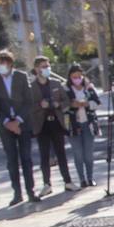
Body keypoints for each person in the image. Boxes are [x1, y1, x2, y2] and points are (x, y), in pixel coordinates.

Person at [0, 49, 40, 206]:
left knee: (26, 158)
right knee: (11, 160)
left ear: (10, 63)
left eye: (3, 63)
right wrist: (6, 122)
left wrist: (18, 120)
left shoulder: (21, 77)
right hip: (5, 125)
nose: (0, 66)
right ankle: (17, 193)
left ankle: (30, 190)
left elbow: (28, 101)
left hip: (23, 123)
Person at [29, 56, 77, 195]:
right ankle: (46, 184)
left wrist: (58, 104)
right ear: (37, 69)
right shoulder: (31, 87)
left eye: (47, 66)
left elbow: (66, 101)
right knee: (44, 155)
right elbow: (28, 107)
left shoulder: (56, 84)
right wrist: (40, 105)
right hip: (42, 124)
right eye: (43, 66)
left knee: (61, 153)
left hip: (56, 122)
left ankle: (68, 181)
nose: (47, 69)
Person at [65, 63, 101, 188]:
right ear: (70, 77)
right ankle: (82, 179)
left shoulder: (89, 88)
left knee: (88, 154)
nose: (77, 79)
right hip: (73, 125)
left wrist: (87, 104)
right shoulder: (66, 90)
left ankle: (90, 177)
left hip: (88, 124)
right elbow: (62, 105)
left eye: (79, 76)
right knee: (78, 154)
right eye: (74, 77)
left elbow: (97, 102)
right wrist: (72, 105)